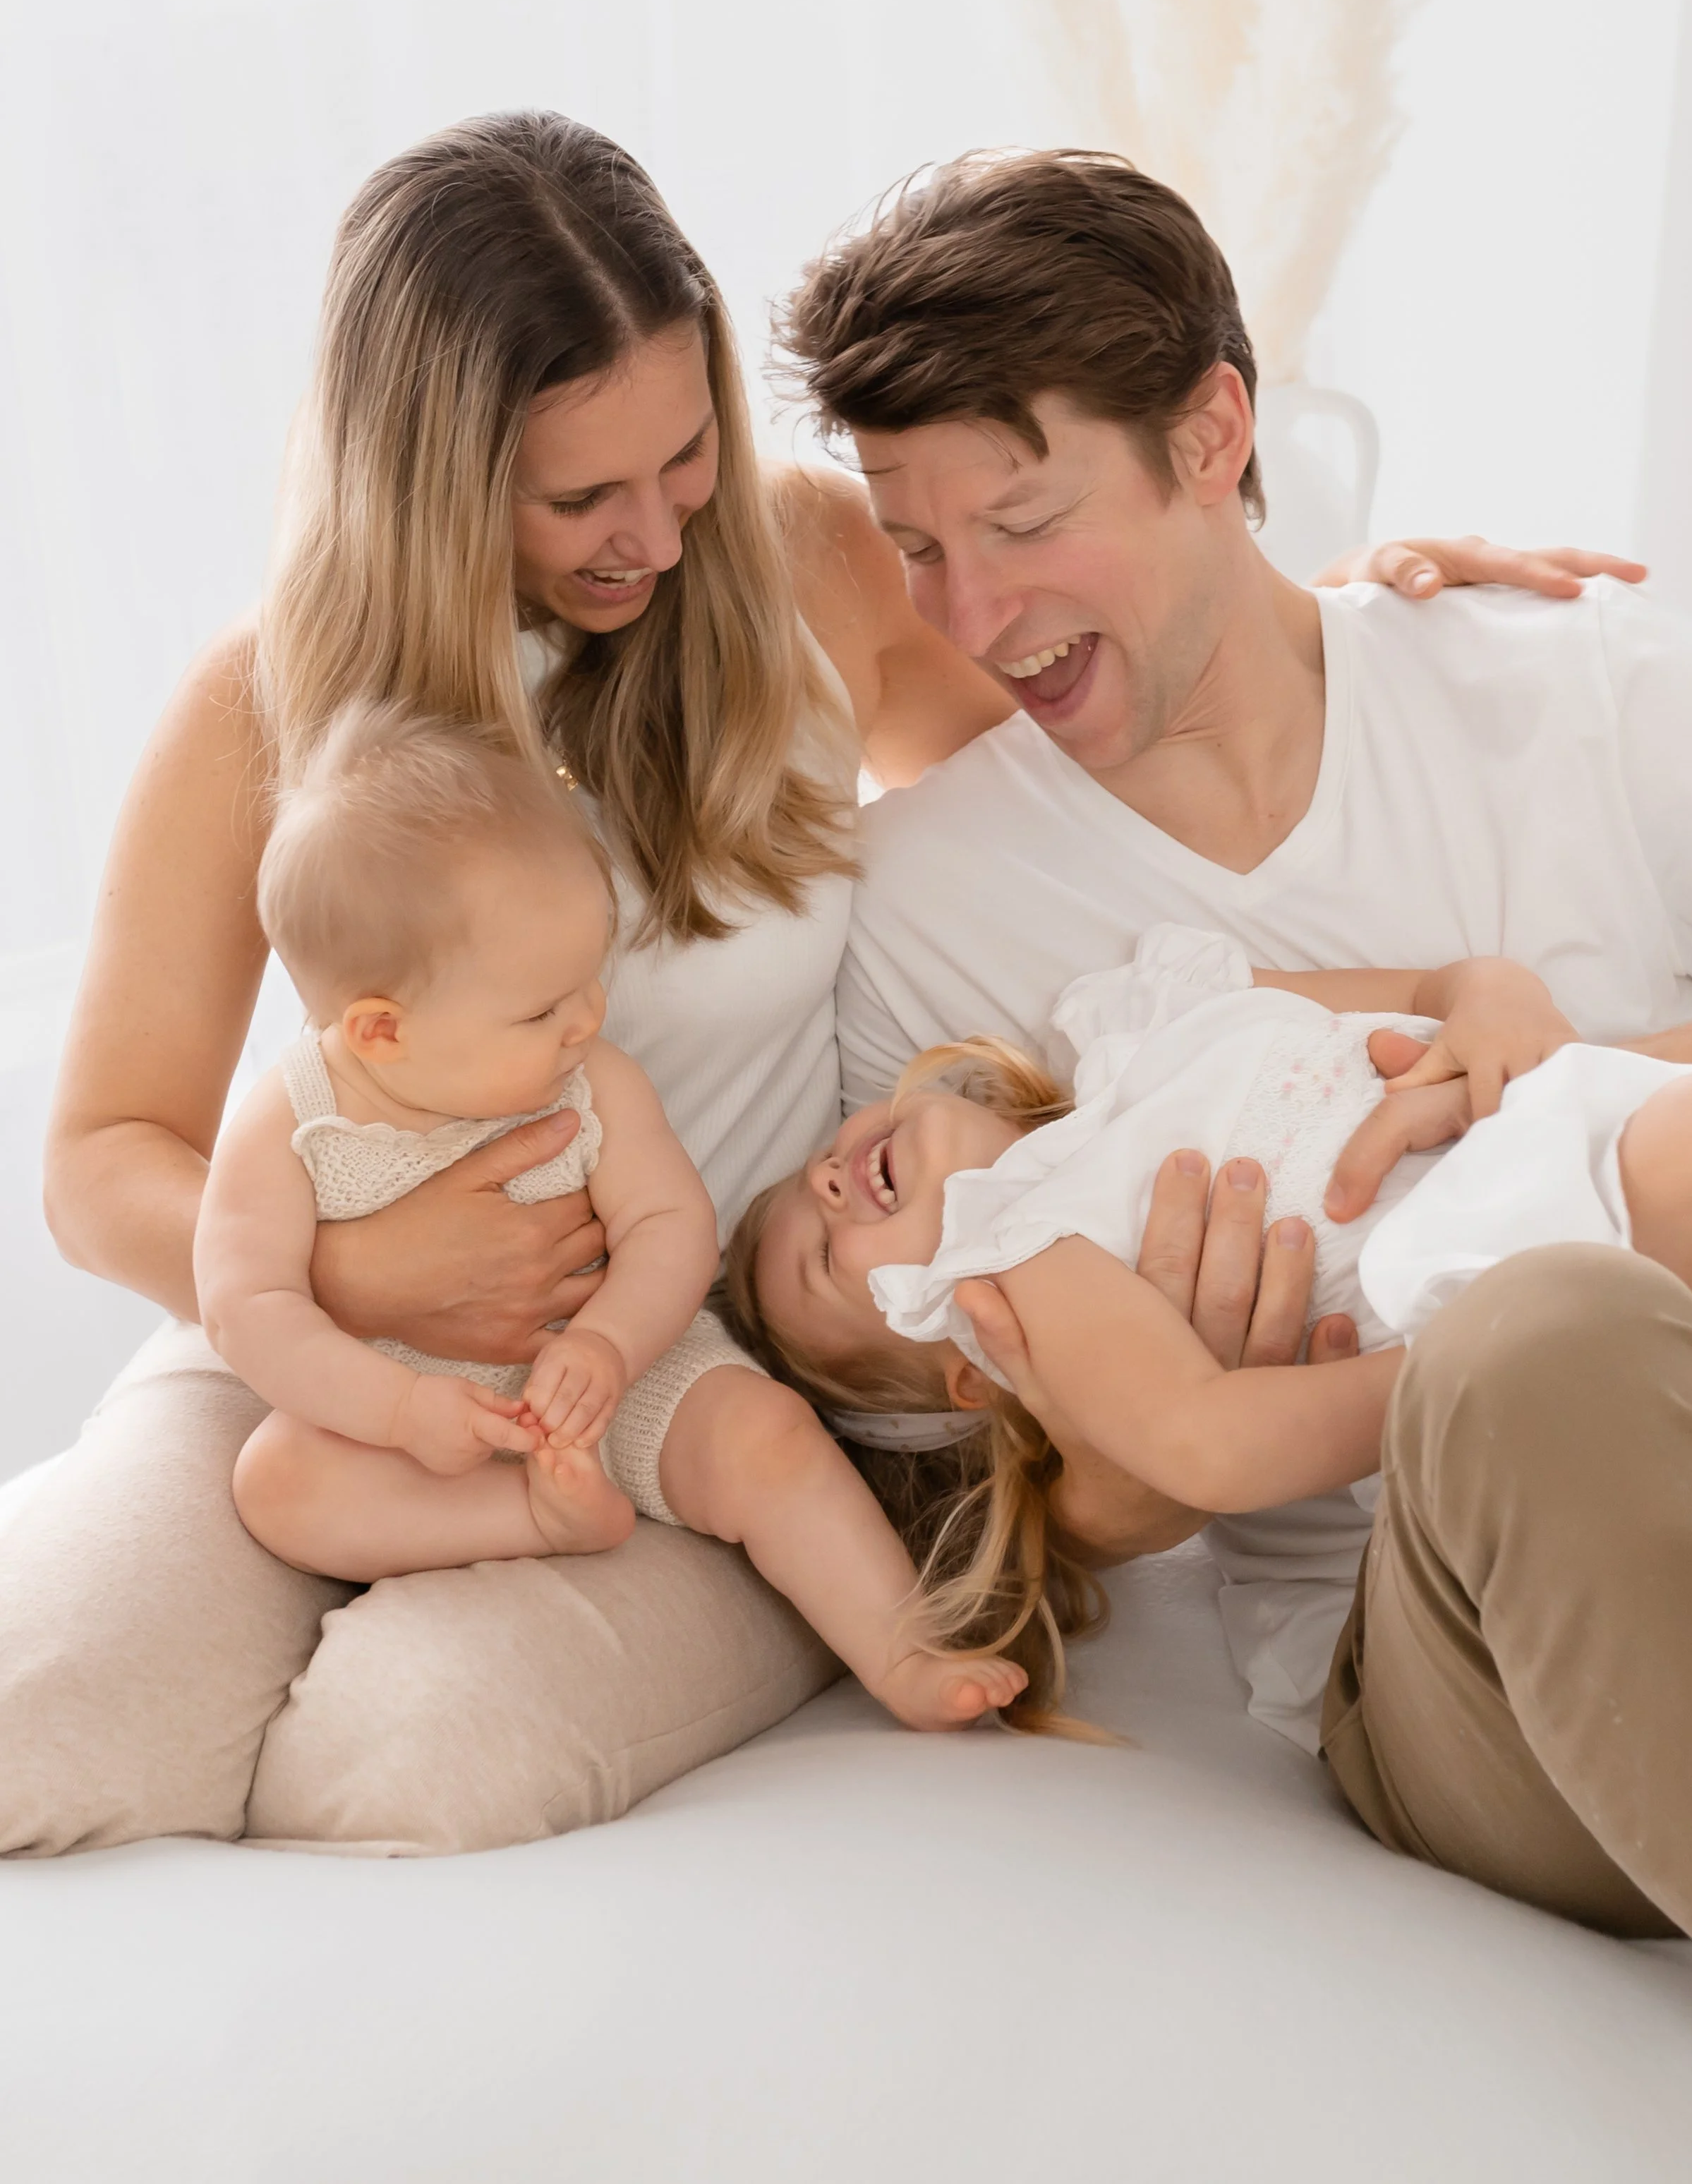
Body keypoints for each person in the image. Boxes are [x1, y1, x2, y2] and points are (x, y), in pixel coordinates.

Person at [6, 107, 1593, 1859]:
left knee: (411, 1757)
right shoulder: (268, 699)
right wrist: (349, 1279)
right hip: (296, 1341)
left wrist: (1355, 613)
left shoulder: (802, 569)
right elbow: (104, 1154)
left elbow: (1091, 740)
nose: (652, 533)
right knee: (39, 1705)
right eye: (577, 497)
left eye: (680, 455)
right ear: (426, 480)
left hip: (712, 1391)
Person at [780, 146, 1692, 2013]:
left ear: (1212, 430)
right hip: (1457, 1646)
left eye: (1022, 519)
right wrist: (1124, 1480)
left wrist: (1572, 1076)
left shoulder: (1573, 686)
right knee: (1549, 1331)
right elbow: (947, 1485)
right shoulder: (933, 928)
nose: (969, 616)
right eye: (914, 548)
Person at [726, 931, 1692, 1758]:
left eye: (812, 1170)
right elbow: (1210, 1445)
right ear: (964, 1366)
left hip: (1574, 1132)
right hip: (1544, 1304)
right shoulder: (1020, 1256)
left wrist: (1492, 991)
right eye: (824, 1257)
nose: (825, 1187)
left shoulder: (1142, 1024)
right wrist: (1471, 1357)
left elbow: (1437, 984)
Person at [198, 701, 1020, 1730]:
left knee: (767, 1436)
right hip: (404, 1396)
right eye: (544, 1007)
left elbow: (671, 1226)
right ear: (382, 1029)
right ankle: (533, 1514)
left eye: (590, 980)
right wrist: (397, 1410)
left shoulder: (590, 1080)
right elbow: (248, 1307)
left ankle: (904, 1651)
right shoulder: (288, 1122)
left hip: (616, 1375)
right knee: (278, 1483)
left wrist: (610, 1341)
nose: (586, 1019)